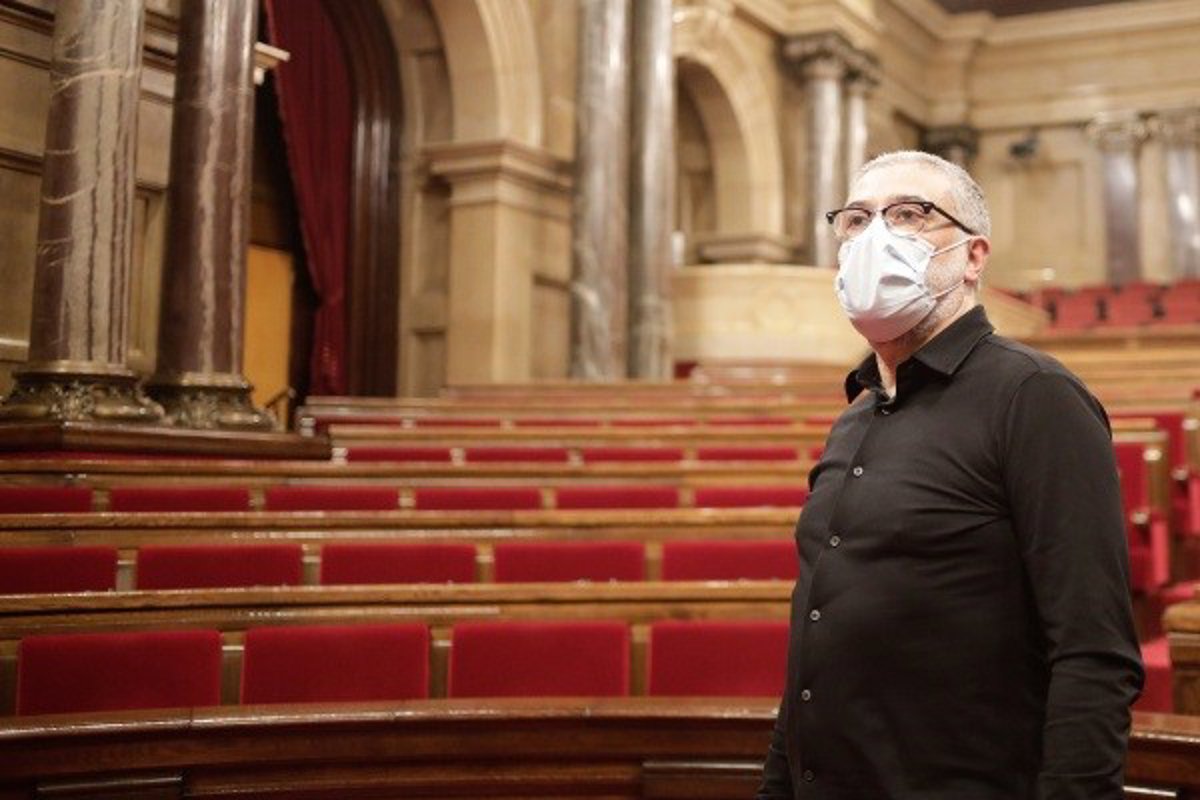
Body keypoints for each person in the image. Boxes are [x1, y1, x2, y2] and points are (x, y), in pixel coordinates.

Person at [757, 150, 1144, 800]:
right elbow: (815, 647)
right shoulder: (854, 417)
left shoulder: (1035, 397)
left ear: (973, 256)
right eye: (856, 220)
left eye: (908, 215)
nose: (874, 237)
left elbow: (1093, 653)